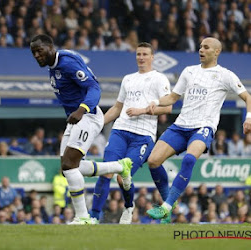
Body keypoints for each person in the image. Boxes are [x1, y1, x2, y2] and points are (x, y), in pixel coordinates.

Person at [132, 37, 251, 223]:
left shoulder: (225, 75)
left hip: (203, 127)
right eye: (200, 46)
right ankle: (169, 203)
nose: (201, 50)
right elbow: (172, 98)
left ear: (216, 52)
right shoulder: (189, 72)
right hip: (180, 126)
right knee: (153, 161)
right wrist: (154, 102)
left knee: (188, 159)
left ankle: (166, 206)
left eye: (206, 47)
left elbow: (247, 97)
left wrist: (248, 118)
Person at [30, 34, 133, 225]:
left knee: (69, 165)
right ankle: (121, 167)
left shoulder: (66, 63)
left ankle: (84, 217)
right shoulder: (55, 65)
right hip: (76, 119)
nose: (36, 55)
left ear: (50, 47)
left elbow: (94, 88)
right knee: (69, 168)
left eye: (40, 50)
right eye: (33, 52)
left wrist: (81, 109)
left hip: (88, 116)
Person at [91, 42, 172, 224]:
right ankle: (93, 217)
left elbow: (168, 108)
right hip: (120, 130)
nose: (141, 57)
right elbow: (118, 107)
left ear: (152, 57)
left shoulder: (159, 79)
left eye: (144, 54)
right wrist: (98, 124)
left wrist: (142, 110)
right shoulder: (128, 78)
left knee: (122, 178)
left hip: (143, 135)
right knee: (105, 172)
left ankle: (128, 206)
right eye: (138, 54)